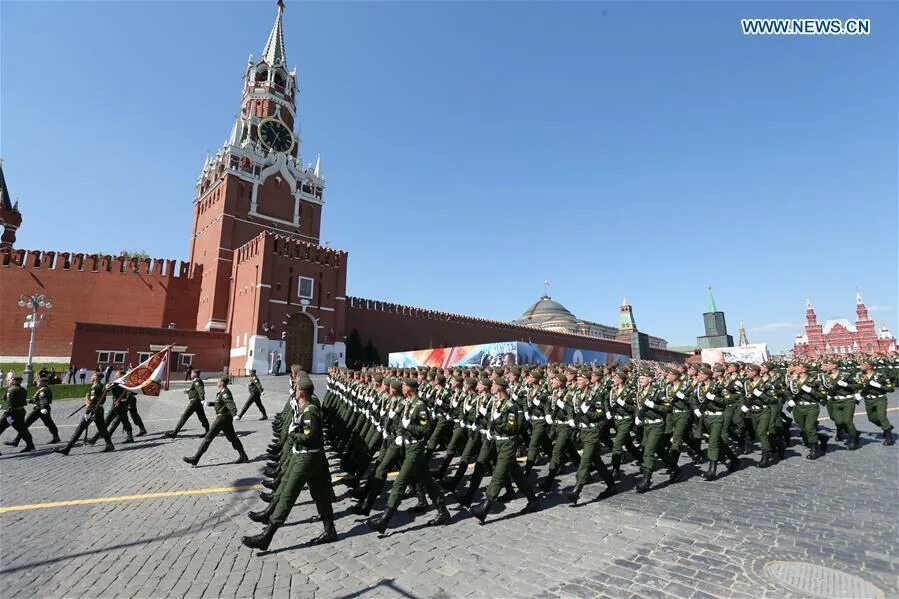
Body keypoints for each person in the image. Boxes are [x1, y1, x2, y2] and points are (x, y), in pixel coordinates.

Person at [242, 375, 336, 550]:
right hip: (308, 457)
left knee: (287, 495)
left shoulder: (310, 411)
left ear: (301, 392)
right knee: (320, 495)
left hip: (306, 458)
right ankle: (330, 530)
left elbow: (309, 437)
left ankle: (267, 536)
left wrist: (293, 434)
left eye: (296, 388)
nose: (294, 390)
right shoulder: (304, 408)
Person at [366, 378, 452, 535]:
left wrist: (409, 427)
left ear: (410, 389)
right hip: (407, 445)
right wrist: (400, 434)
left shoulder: (420, 407)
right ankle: (443, 511)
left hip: (415, 447)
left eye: (404, 386)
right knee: (427, 480)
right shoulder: (407, 403)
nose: (402, 388)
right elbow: (400, 423)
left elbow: (425, 430)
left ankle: (384, 520)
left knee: (400, 481)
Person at [469, 377, 540, 522]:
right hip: (498, 442)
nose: (492, 387)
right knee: (517, 474)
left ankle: (485, 508)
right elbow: (493, 421)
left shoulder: (510, 406)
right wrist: (492, 429)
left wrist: (497, 422)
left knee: (498, 475)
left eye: (494, 385)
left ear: (500, 387)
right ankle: (533, 500)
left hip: (508, 444)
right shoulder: (497, 402)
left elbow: (511, 428)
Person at [182, 377, 249, 466]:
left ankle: (195, 458)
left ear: (222, 382)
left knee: (208, 437)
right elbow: (221, 403)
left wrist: (234, 414)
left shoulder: (225, 392)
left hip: (222, 418)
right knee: (233, 438)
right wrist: (210, 403)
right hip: (225, 419)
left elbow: (230, 402)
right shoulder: (221, 392)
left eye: (218, 381)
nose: (217, 382)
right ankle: (243, 456)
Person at [55, 373, 114, 455]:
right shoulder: (99, 386)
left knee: (79, 429)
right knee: (102, 428)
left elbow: (93, 401)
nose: (91, 376)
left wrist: (88, 411)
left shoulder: (96, 387)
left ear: (96, 378)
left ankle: (67, 448)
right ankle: (109, 444)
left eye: (93, 375)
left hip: (93, 410)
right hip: (98, 410)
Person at [4, 377, 60, 447]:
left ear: (44, 383)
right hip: (40, 408)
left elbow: (43, 400)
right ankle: (56, 437)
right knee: (48, 423)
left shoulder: (43, 390)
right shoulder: (42, 389)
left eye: (39, 382)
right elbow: (39, 400)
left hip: (40, 409)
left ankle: (16, 440)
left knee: (27, 423)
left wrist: (43, 407)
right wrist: (30, 401)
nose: (37, 383)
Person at [856, 360, 895, 445]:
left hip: (880, 399)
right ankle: (887, 427)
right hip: (868, 400)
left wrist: (879, 386)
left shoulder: (880, 375)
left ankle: (889, 437)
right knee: (872, 418)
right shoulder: (860, 375)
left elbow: (891, 389)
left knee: (882, 417)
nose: (860, 366)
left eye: (863, 364)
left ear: (870, 366)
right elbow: (858, 386)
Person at [165, 370, 210, 438]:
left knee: (184, 416)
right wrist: (189, 391)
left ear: (195, 374)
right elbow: (196, 390)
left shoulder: (197, 380)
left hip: (194, 402)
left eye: (191, 373)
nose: (190, 374)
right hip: (196, 402)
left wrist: (202, 399)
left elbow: (200, 390)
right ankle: (208, 432)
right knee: (202, 417)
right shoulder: (196, 380)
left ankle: (175, 433)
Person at [0, 376, 36, 452]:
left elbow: (9, 404)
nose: (8, 382)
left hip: (11, 414)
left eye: (9, 380)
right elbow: (23, 402)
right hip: (20, 412)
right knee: (22, 429)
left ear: (14, 381)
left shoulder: (11, 390)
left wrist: (7, 414)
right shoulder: (23, 389)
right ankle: (30, 445)